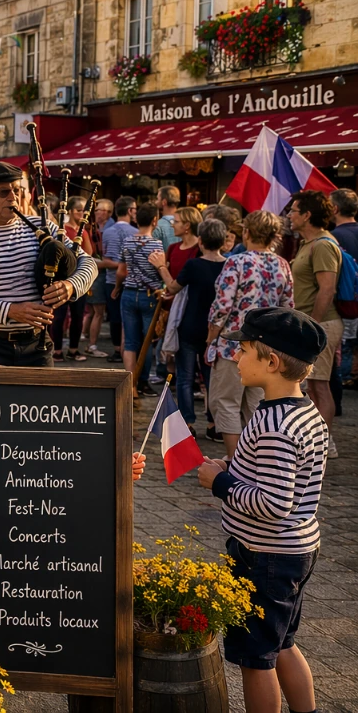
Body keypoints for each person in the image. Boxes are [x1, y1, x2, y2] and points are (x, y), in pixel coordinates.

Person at [196, 307, 327, 713]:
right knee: (282, 643)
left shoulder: (274, 426)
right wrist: (232, 467)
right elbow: (278, 478)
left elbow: (272, 503)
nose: (236, 357)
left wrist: (220, 483)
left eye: (245, 350)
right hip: (295, 550)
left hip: (266, 555)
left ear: (270, 362)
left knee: (257, 660)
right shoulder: (302, 413)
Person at [0, 162, 97, 369]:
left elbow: (87, 262)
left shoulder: (41, 227)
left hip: (36, 345)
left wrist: (70, 286)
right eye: (3, 192)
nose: (13, 198)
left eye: (17, 190)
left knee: (38, 402)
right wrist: (10, 310)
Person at [206, 211, 294, 459]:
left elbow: (222, 306)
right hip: (267, 347)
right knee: (257, 405)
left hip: (233, 345)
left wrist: (211, 336)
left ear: (247, 232)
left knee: (226, 402)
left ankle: (236, 460)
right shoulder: (282, 264)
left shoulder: (237, 262)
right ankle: (258, 458)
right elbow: (289, 308)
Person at [149, 218, 228, 438]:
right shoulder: (229, 264)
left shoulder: (194, 264)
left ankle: (187, 423)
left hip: (190, 325)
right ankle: (214, 424)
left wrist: (162, 267)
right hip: (215, 328)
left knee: (184, 377)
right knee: (211, 377)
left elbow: (173, 288)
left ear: (201, 241)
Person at [287, 190, 343, 447]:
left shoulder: (322, 245)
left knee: (320, 386)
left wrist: (314, 326)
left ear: (307, 215)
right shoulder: (308, 243)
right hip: (310, 323)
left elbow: (327, 289)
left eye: (294, 211)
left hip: (321, 324)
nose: (289, 215)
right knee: (312, 385)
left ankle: (323, 443)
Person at [115, 202, 164, 395]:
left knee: (130, 342)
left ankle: (130, 385)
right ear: (154, 220)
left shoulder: (127, 242)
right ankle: (142, 381)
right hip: (149, 295)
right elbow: (160, 272)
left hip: (128, 293)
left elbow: (121, 271)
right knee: (146, 341)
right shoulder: (156, 244)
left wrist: (117, 288)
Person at [51, 195, 95, 362]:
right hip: (62, 277)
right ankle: (57, 350)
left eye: (84, 210)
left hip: (79, 278)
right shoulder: (61, 229)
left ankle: (74, 349)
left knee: (77, 316)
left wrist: (84, 233)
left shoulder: (83, 229)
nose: (82, 213)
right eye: (79, 210)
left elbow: (89, 253)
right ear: (70, 211)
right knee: (59, 316)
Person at [100, 196, 137, 363]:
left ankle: (117, 349)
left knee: (115, 316)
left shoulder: (108, 232)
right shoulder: (136, 233)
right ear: (129, 211)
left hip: (110, 279)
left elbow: (105, 259)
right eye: (134, 209)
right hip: (131, 280)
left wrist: (115, 265)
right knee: (129, 318)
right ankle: (127, 348)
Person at [330, 188, 358, 387]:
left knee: (345, 344)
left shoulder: (333, 238)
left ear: (335, 209)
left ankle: (343, 378)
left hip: (345, 300)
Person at [82, 198, 114, 358]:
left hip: (100, 275)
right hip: (96, 275)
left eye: (99, 210)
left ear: (108, 212)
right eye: (96, 210)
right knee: (96, 312)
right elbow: (89, 257)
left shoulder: (107, 228)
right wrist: (113, 264)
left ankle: (87, 338)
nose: (96, 213)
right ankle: (91, 344)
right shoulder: (91, 229)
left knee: (95, 311)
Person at [152, 185, 181, 250]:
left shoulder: (158, 225)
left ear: (164, 202)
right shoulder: (184, 223)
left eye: (157, 199)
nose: (155, 202)